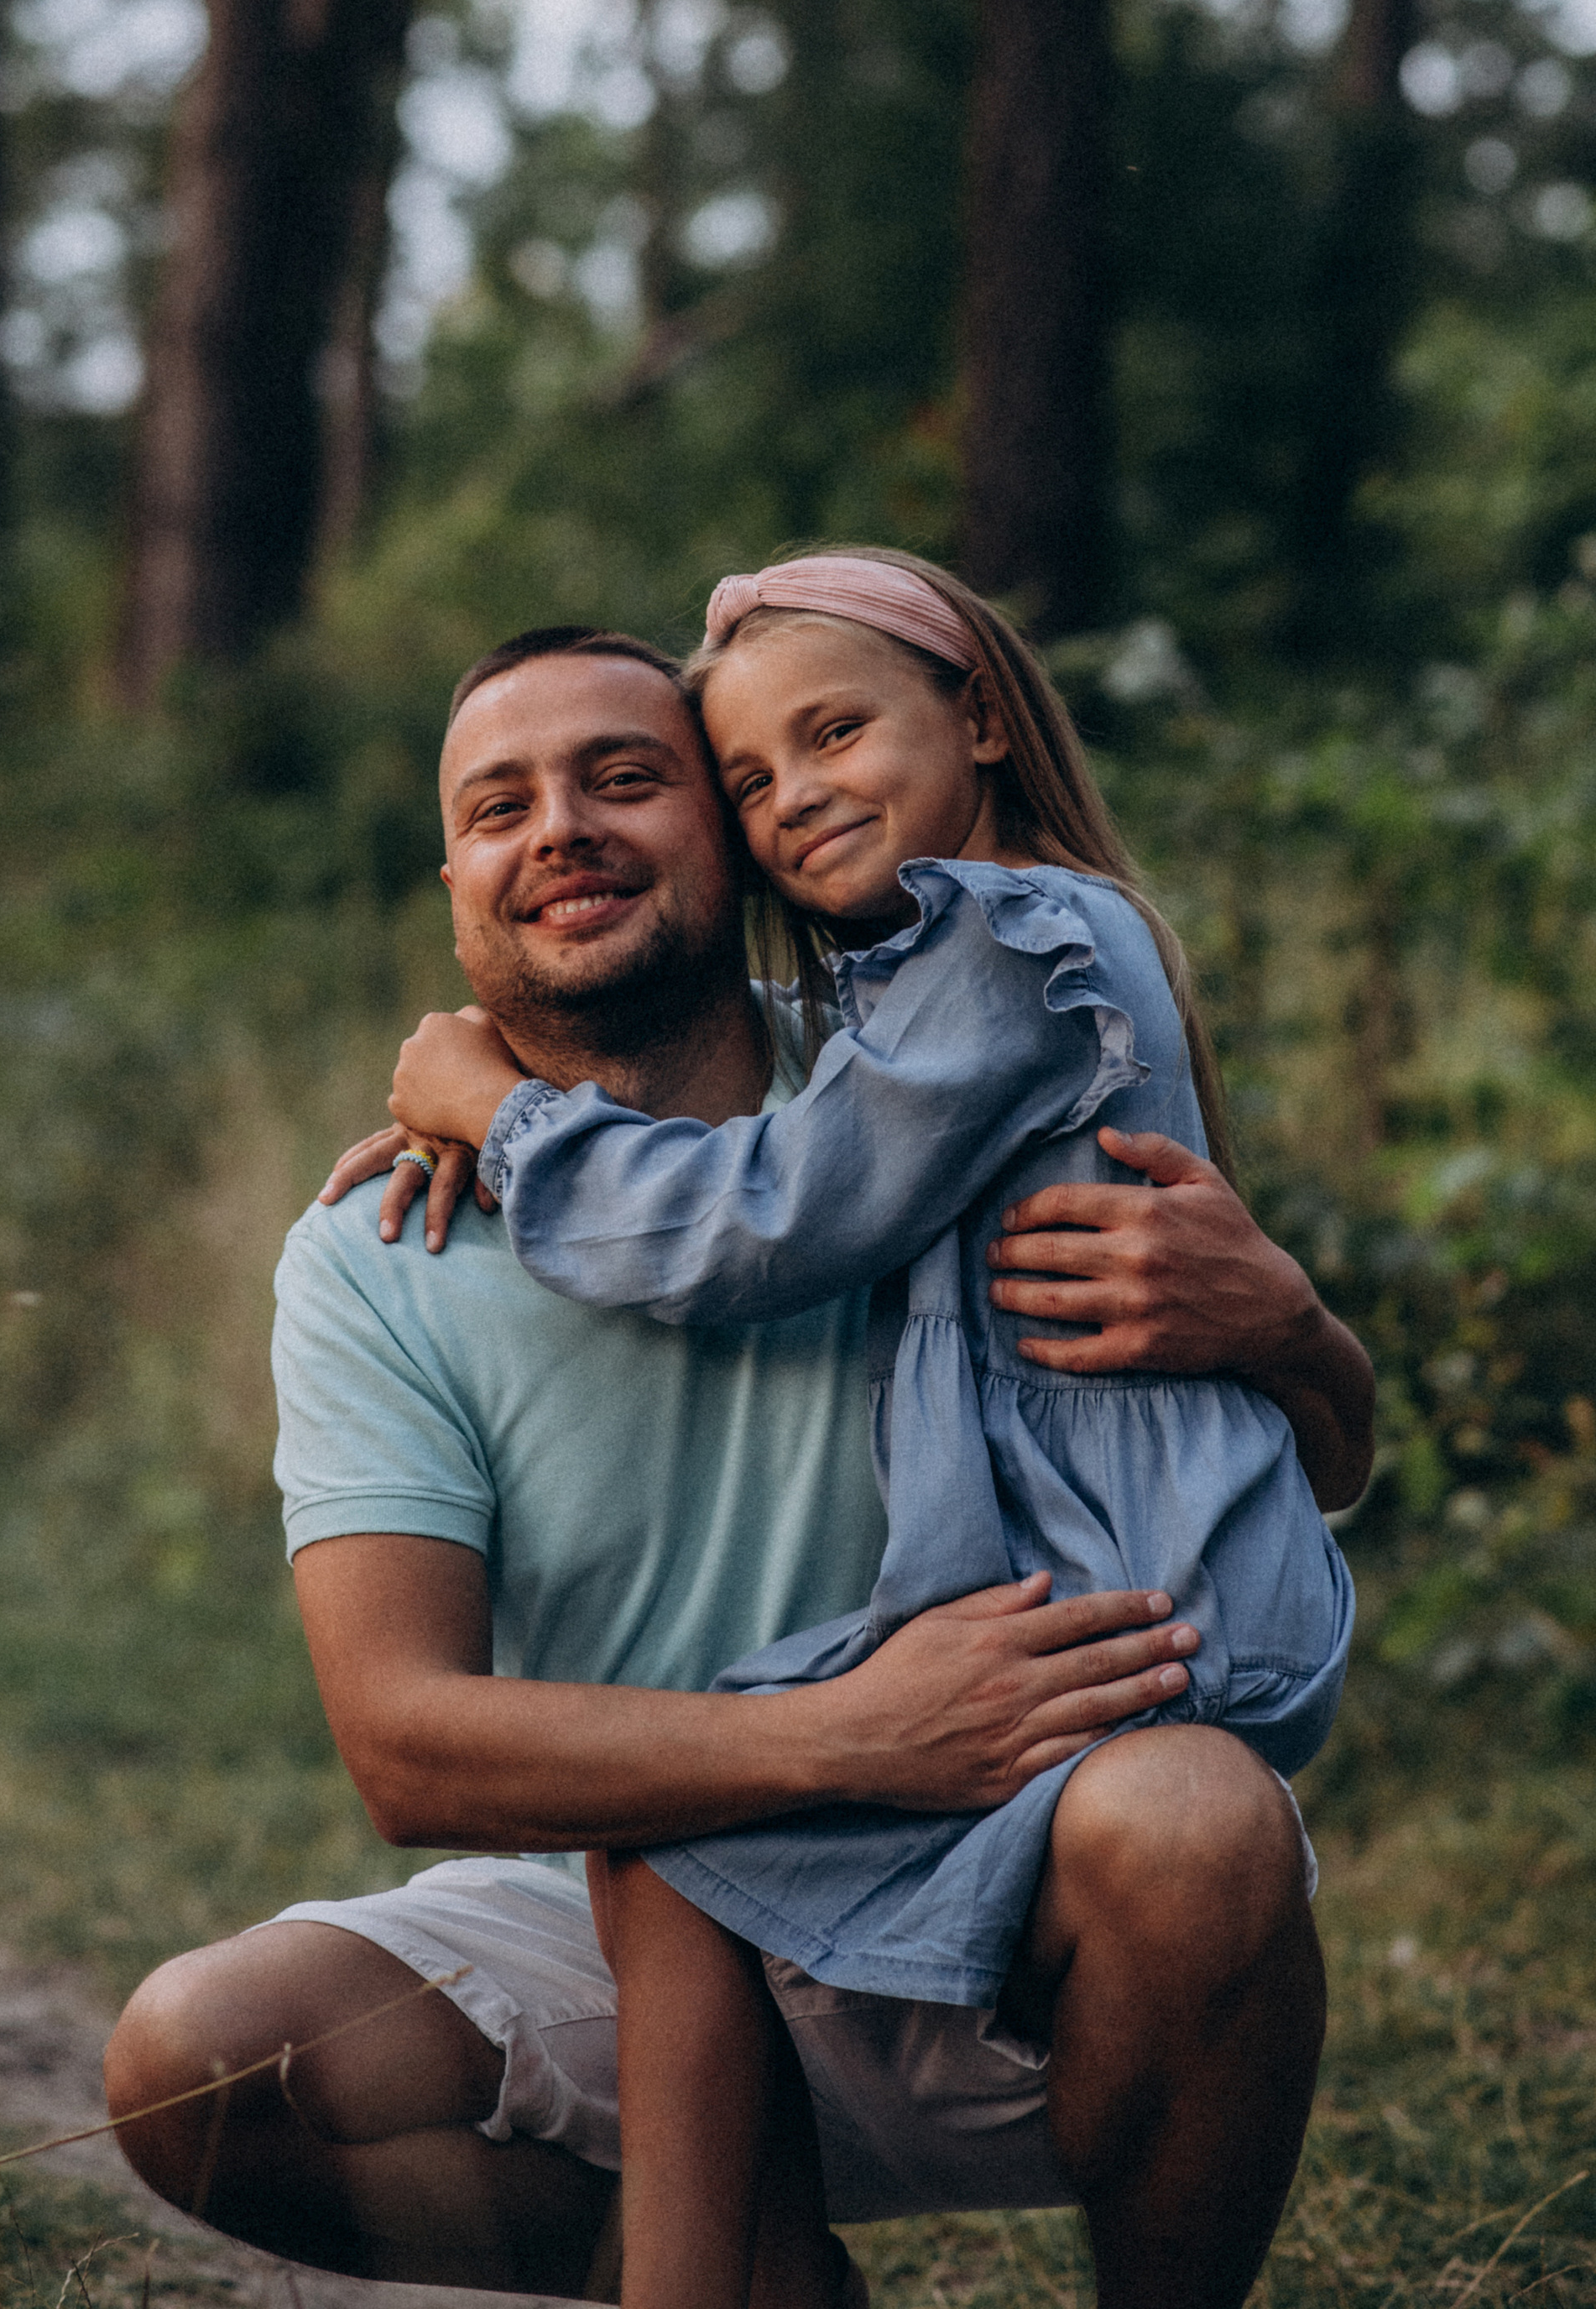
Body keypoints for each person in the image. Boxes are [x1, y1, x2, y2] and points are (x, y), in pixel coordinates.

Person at [103, 620, 1374, 2306]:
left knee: (1200, 1813)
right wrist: (847, 1731)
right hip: (646, 1918)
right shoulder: (381, 1249)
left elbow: (1302, 1457)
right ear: (454, 879)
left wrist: (1291, 1327)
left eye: (625, 778)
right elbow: (406, 1750)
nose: (557, 826)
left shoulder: (911, 1094)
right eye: (499, 804)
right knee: (195, 2058)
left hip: (1005, 1877)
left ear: (732, 825)